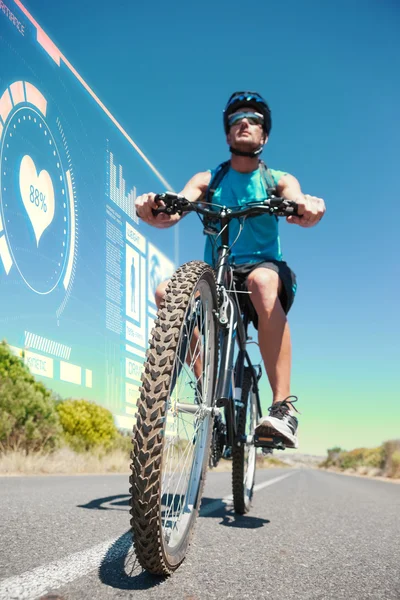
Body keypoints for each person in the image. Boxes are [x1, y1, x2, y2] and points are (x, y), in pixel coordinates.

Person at [135, 91, 326, 449]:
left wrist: (306, 205)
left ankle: (282, 408)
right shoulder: (210, 178)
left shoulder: (277, 179)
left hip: (263, 270)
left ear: (263, 136)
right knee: (166, 291)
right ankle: (212, 393)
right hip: (218, 272)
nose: (244, 122)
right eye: (237, 118)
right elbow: (177, 207)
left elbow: (297, 201)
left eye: (254, 119)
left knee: (262, 280)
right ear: (227, 135)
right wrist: (155, 206)